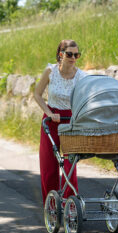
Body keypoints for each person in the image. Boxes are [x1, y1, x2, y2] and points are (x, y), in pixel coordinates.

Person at [34, 39, 87, 205]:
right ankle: (51, 207)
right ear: (61, 54)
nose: (73, 57)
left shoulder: (81, 76)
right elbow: (37, 94)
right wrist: (49, 112)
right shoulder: (50, 71)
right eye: (69, 54)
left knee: (70, 164)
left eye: (76, 54)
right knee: (49, 166)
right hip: (51, 120)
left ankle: (70, 205)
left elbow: (84, 100)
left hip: (71, 121)